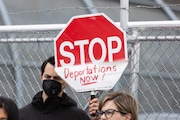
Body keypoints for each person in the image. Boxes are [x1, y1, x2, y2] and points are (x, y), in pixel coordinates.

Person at [19, 56, 97, 120]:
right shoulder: (23, 115)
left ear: (66, 81)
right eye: (48, 77)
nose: (51, 81)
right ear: (41, 77)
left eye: (57, 78)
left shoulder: (77, 116)